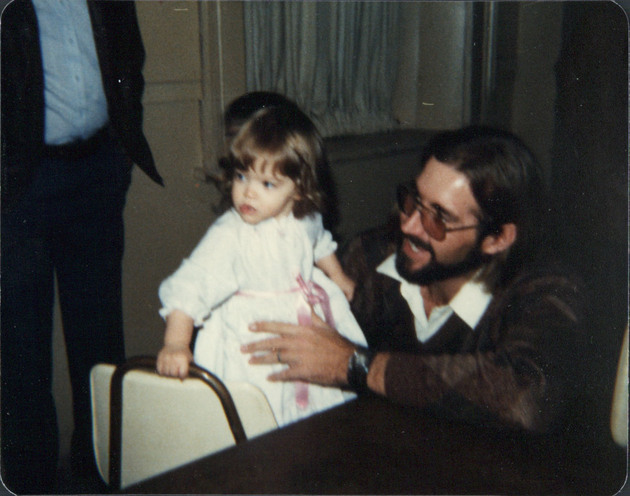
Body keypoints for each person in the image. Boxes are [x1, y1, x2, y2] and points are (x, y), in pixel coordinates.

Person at [242, 126, 586, 434]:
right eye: (415, 201)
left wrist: (357, 366)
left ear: (497, 239)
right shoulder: (370, 257)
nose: (409, 226)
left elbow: (527, 395)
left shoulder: (546, 292)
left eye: (439, 217)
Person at [1, 1, 163, 492]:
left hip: (96, 173)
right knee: (22, 355)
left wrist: (120, 153)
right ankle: (31, 484)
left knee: (100, 344)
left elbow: (129, 60)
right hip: (21, 188)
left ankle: (102, 476)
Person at [157, 105, 363, 426]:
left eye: (267, 184)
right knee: (262, 411)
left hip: (303, 326)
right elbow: (191, 285)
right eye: (242, 176)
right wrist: (176, 343)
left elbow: (319, 242)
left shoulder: (304, 216)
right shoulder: (231, 234)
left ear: (299, 189)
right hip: (252, 339)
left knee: (313, 400)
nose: (248, 193)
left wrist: (337, 275)